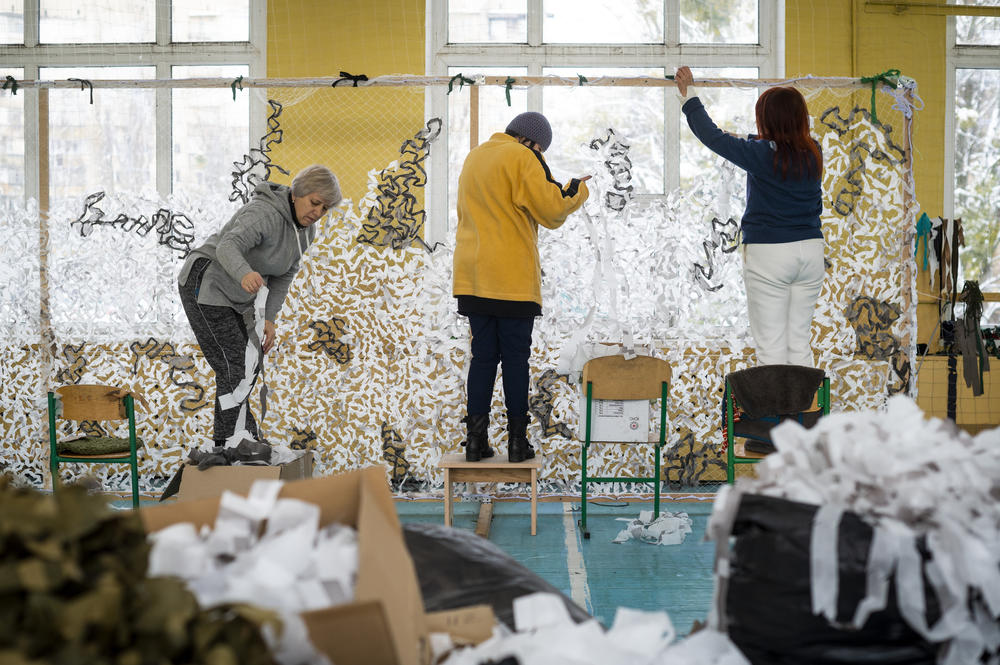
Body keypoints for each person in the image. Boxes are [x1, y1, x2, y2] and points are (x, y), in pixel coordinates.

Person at [453, 111, 592, 463]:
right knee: (515, 359)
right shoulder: (524, 157)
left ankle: (475, 442)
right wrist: (577, 189)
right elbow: (552, 210)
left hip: (472, 275)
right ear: (532, 142)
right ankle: (517, 443)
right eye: (541, 148)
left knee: (482, 357)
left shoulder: (476, 155)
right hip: (511, 279)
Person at [178, 165, 341, 446]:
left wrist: (269, 319)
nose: (318, 212)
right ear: (297, 193)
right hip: (205, 282)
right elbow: (227, 246)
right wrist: (244, 272)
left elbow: (284, 274)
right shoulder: (264, 213)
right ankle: (231, 441)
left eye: (325, 209)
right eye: (315, 203)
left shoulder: (306, 232)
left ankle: (240, 437)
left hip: (236, 296)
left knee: (248, 365)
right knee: (236, 366)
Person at [675, 66, 825, 367]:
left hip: (770, 253)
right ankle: (803, 412)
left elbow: (712, 136)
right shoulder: (813, 151)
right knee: (798, 342)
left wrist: (688, 94)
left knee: (771, 346)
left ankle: (779, 414)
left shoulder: (760, 155)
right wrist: (744, 138)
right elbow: (762, 142)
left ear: (767, 120)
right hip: (810, 252)